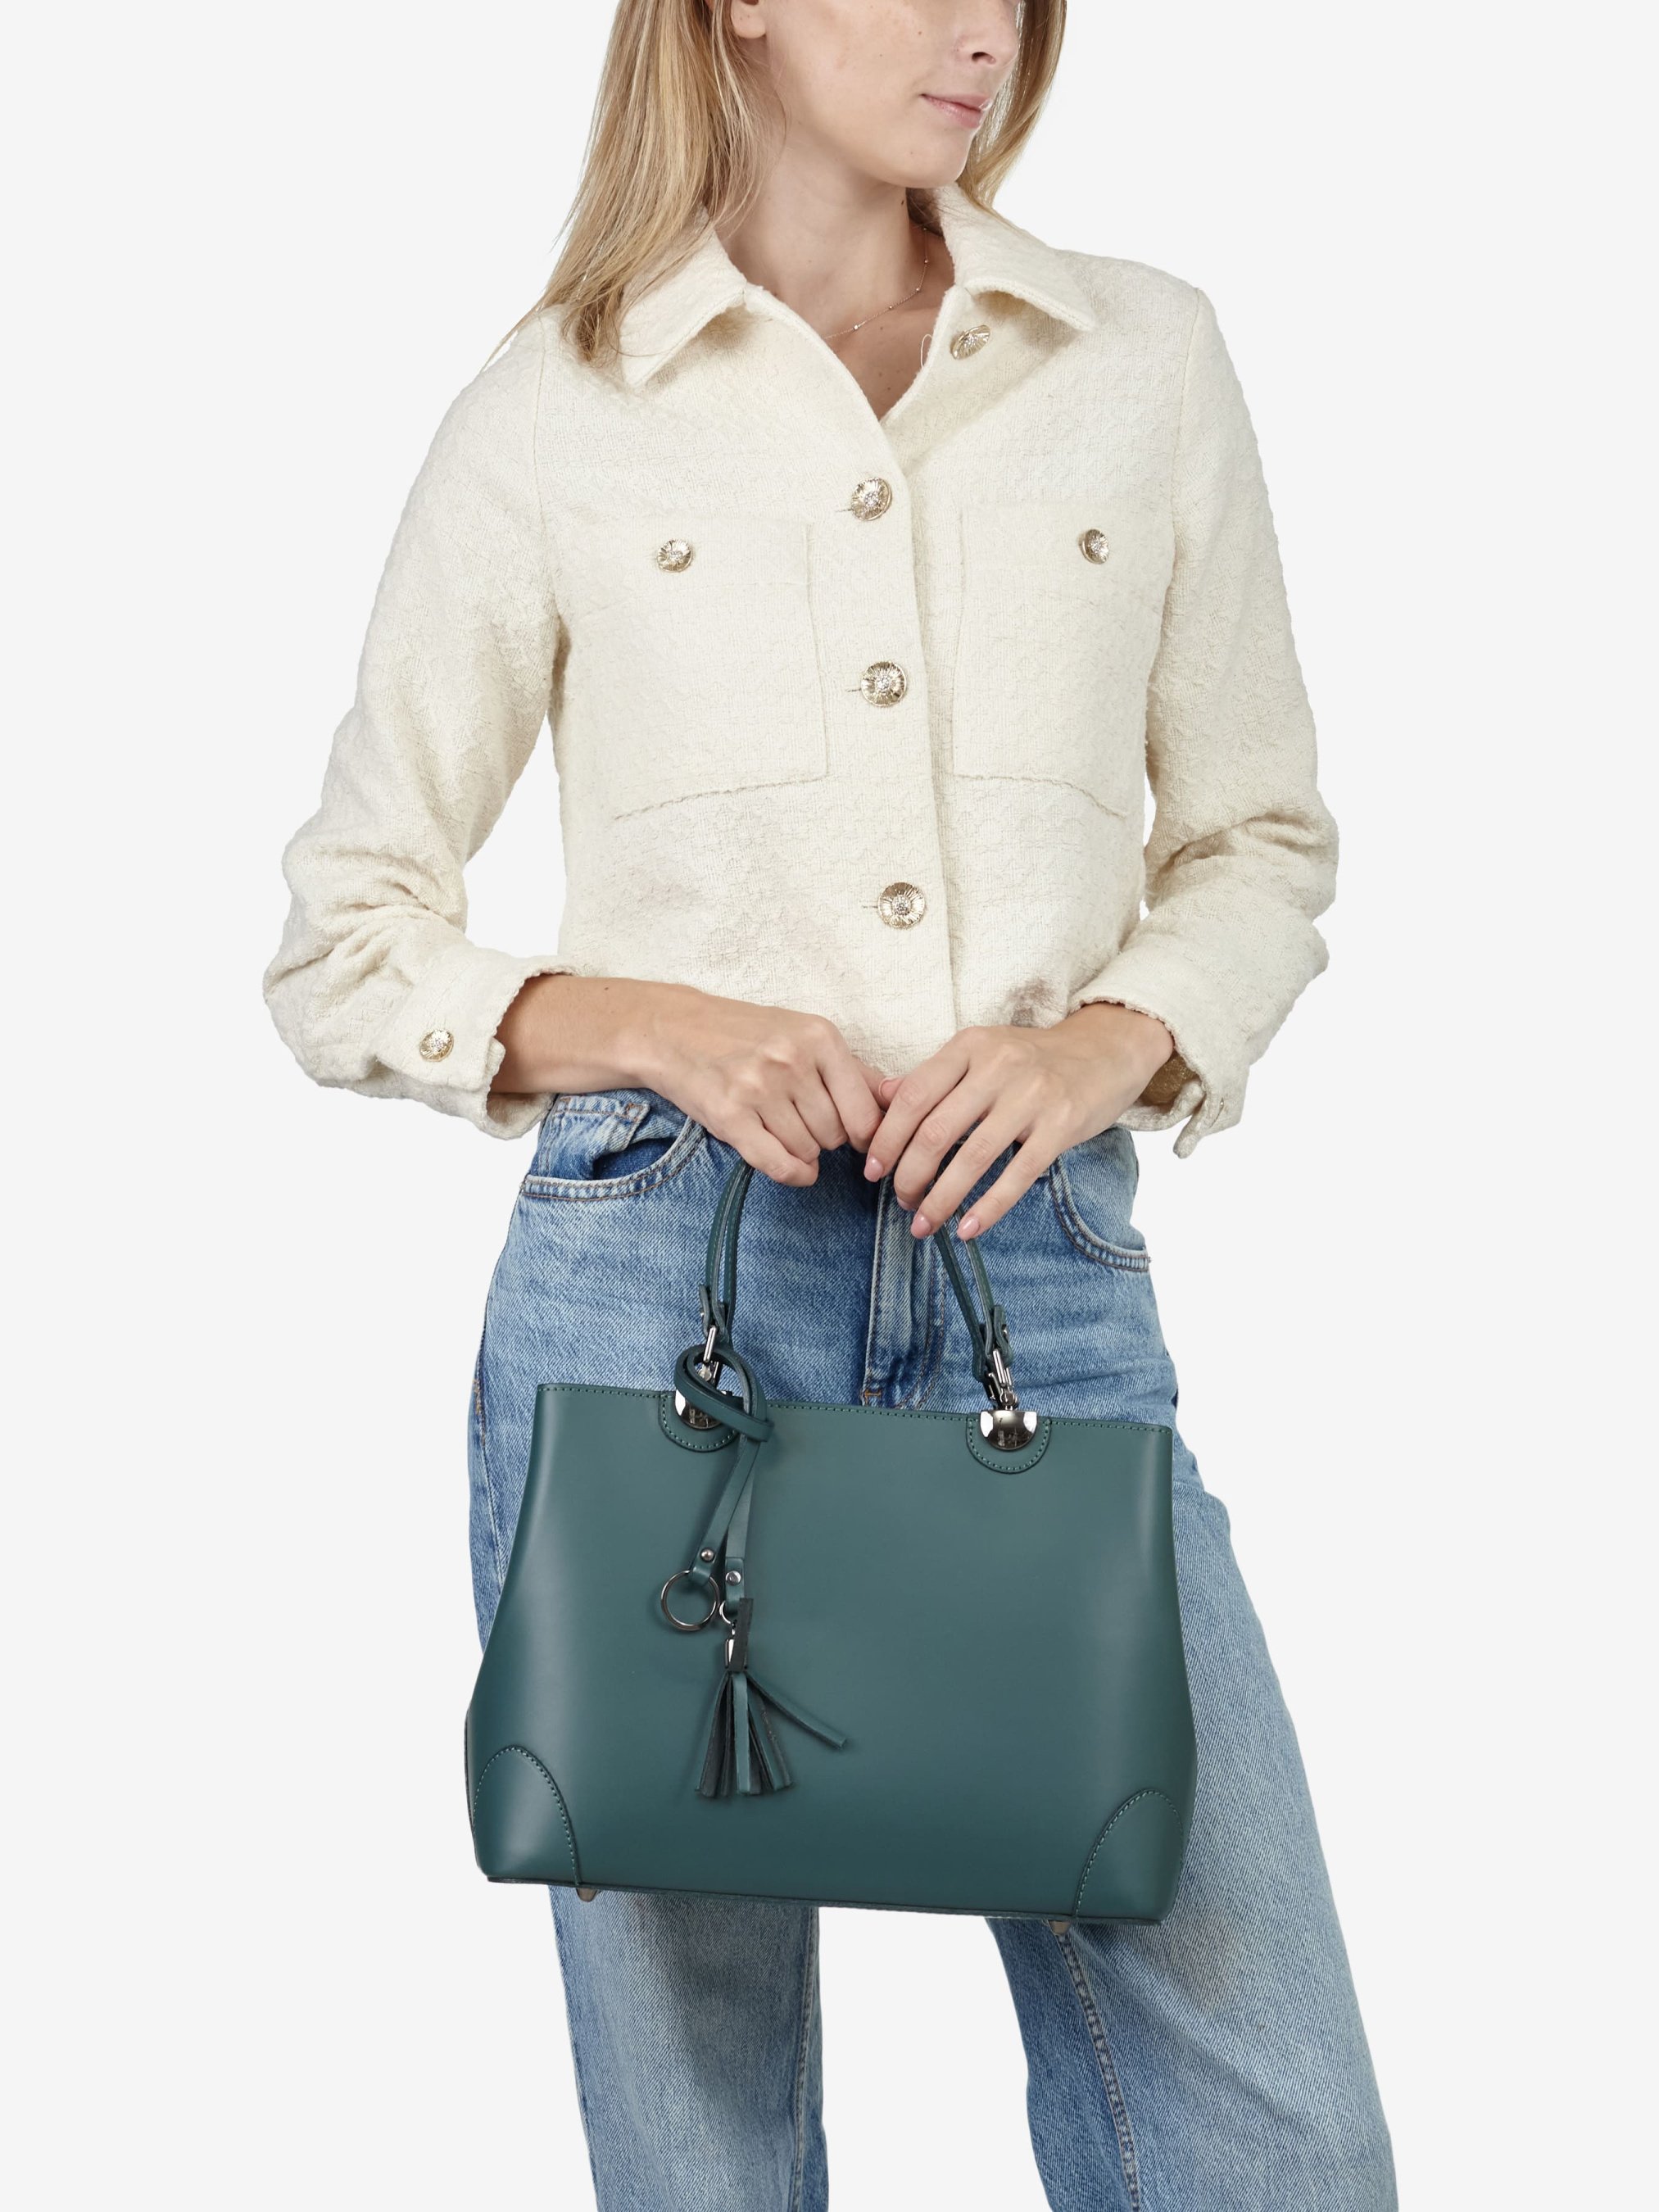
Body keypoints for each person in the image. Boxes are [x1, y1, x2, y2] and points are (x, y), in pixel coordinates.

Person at [263, 2, 1396, 2204]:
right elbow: (345, 933)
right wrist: (652, 1024)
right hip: (648, 1303)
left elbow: (1258, 842)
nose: (986, 32)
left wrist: (1101, 1042)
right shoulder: (557, 407)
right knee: (702, 2142)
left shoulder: (1143, 359)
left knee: (1276, 2123)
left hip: (1037, 1290)